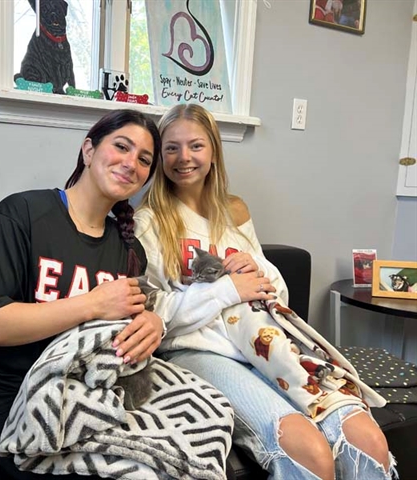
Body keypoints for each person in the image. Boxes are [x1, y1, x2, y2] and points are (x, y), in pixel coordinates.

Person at [134, 103, 396, 480]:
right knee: (308, 449)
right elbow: (157, 319)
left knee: (367, 437)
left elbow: (277, 298)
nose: (183, 157)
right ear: (159, 156)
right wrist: (226, 290)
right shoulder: (148, 221)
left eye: (196, 145)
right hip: (198, 351)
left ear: (213, 152)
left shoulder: (235, 211)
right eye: (171, 147)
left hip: (262, 340)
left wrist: (256, 270)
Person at [0, 109, 168, 480]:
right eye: (121, 146)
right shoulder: (19, 215)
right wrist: (91, 304)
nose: (131, 163)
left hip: (96, 397)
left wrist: (151, 323)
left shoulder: (130, 248)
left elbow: (124, 326)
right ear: (88, 150)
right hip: (17, 403)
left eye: (144, 159)